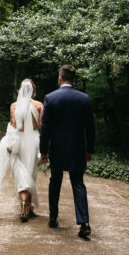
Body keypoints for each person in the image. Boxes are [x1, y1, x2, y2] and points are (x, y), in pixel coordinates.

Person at [40, 65, 95, 239]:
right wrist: (89, 149)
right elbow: (90, 128)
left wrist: (44, 151)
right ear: (74, 79)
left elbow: (45, 128)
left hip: (57, 147)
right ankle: (84, 222)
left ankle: (53, 217)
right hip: (77, 147)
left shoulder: (51, 98)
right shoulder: (84, 99)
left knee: (55, 181)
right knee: (78, 182)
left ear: (60, 78)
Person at [0, 79, 44, 222]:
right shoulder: (39, 105)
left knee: (20, 174)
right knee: (31, 174)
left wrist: (10, 143)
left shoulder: (14, 106)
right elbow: (42, 124)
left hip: (18, 142)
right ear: (33, 91)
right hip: (34, 142)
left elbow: (13, 125)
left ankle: (24, 205)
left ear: (20, 90)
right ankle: (29, 208)